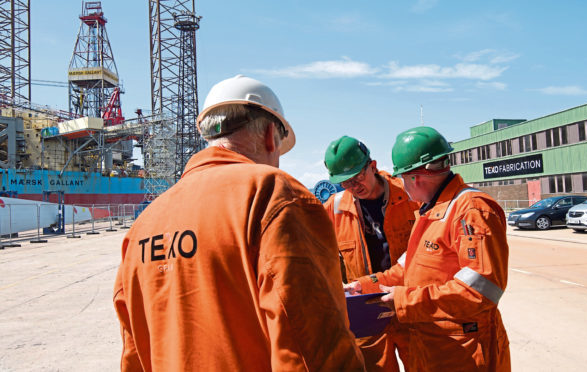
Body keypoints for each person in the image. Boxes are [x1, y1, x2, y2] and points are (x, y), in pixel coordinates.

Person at [113, 75, 365, 371]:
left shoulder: (145, 223)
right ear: (271, 134)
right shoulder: (272, 194)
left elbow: (133, 353)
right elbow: (312, 348)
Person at [345, 126, 511, 371]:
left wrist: (404, 300)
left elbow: (480, 291)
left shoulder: (471, 211)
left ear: (416, 177)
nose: (403, 186)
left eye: (403, 178)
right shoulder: (430, 212)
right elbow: (405, 270)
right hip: (435, 346)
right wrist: (364, 286)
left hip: (465, 351)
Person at [323, 136, 419, 371]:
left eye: (358, 177)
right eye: (346, 182)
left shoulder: (410, 196)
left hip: (408, 303)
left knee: (422, 364)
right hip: (366, 310)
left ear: (373, 166)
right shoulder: (335, 209)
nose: (354, 187)